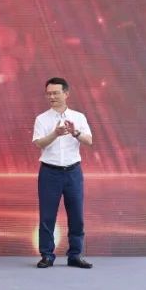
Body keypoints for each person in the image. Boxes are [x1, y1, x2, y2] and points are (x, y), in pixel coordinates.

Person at [33, 77, 94, 269]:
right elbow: (39, 143)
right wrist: (55, 134)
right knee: (47, 216)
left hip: (73, 172)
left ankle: (75, 255)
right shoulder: (42, 119)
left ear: (66, 94)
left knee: (76, 215)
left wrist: (75, 133)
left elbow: (89, 141)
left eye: (56, 93)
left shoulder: (79, 117)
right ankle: (47, 255)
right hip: (49, 172)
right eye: (48, 94)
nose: (52, 97)